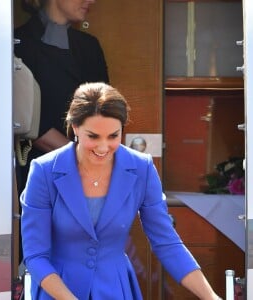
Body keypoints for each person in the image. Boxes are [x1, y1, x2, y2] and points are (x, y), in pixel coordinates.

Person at [21, 82, 222, 300]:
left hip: (115, 290)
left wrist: (211, 297)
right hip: (57, 291)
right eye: (93, 136)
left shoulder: (141, 168)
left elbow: (167, 242)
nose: (103, 147)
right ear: (75, 128)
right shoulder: (44, 171)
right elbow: (36, 255)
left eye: (113, 136)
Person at [14, 0, 109, 192]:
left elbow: (106, 112)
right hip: (36, 176)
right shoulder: (18, 43)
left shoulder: (89, 46)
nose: (92, 1)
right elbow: (26, 120)